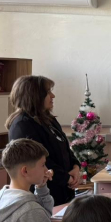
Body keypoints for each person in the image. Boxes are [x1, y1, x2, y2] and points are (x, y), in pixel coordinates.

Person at [7, 75, 81, 205]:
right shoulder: (22, 125)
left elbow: (65, 148)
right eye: (48, 92)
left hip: (63, 190)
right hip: (43, 194)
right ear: (35, 96)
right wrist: (67, 178)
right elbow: (40, 161)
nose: (53, 96)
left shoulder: (49, 120)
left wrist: (76, 167)